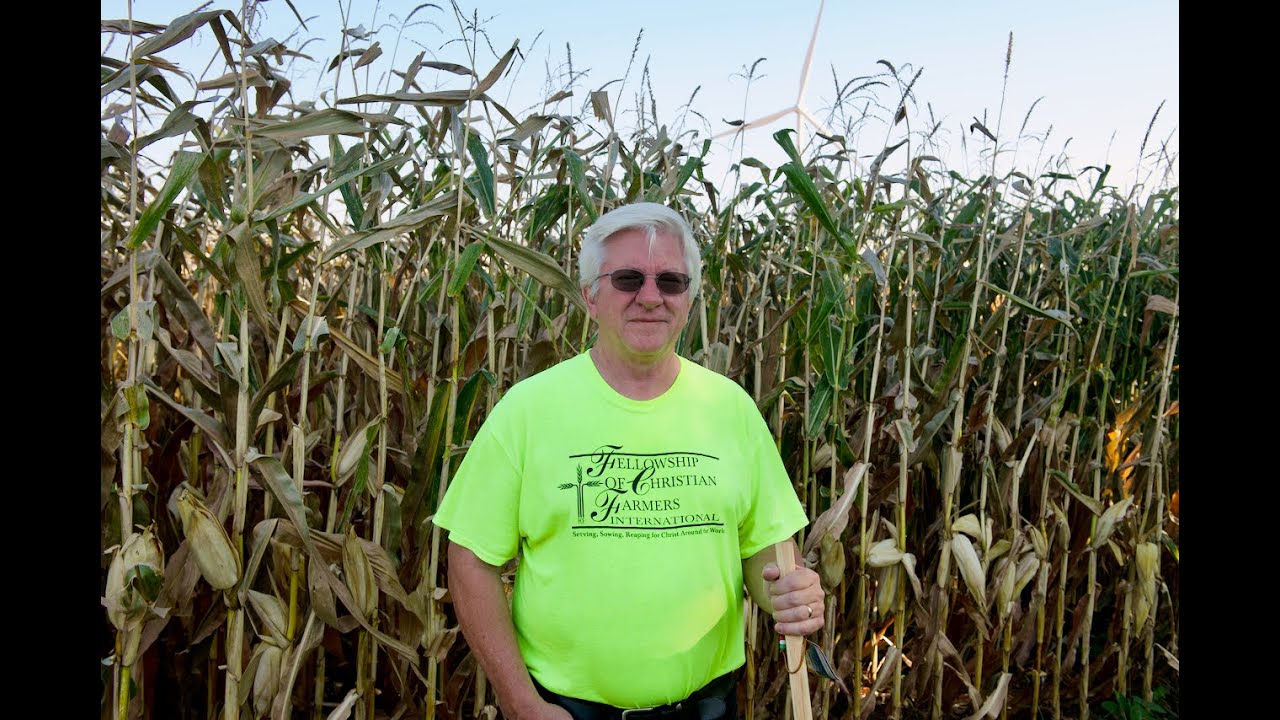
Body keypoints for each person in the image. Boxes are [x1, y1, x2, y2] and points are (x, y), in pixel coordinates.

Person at [434, 202, 825, 720]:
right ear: (590, 296)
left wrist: (786, 592)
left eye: (670, 281)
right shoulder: (528, 410)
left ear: (689, 298)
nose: (651, 297)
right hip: (567, 712)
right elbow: (471, 560)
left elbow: (763, 549)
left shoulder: (730, 408)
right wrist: (521, 701)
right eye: (628, 279)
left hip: (706, 708)